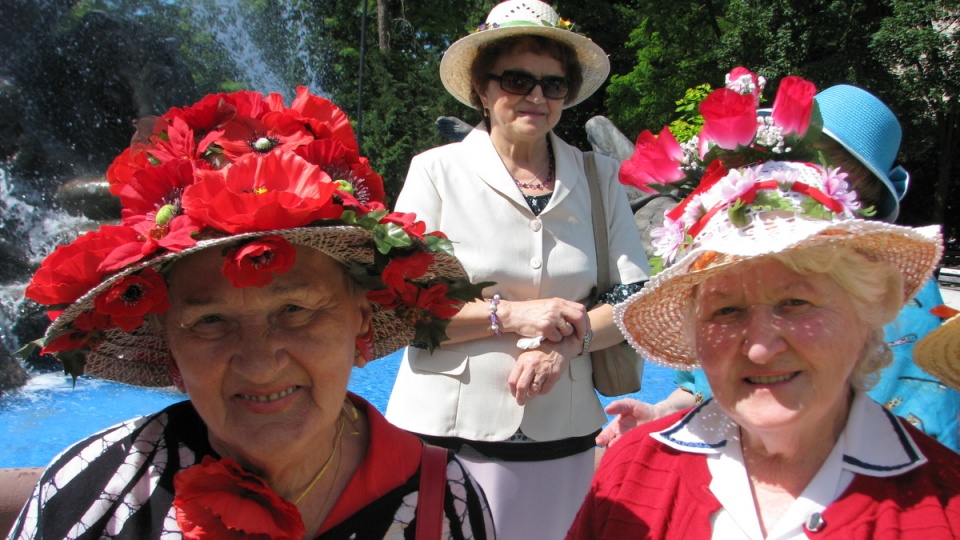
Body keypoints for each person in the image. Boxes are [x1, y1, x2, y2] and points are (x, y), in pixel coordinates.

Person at [8, 88, 495, 539]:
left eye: (293, 310)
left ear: (361, 319)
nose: (260, 364)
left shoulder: (444, 503)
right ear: (168, 342)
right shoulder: (93, 495)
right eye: (211, 322)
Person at [567, 70, 960, 538]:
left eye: (796, 302)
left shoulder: (941, 508)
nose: (759, 348)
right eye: (726, 310)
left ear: (872, 310)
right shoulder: (633, 478)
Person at [384, 1, 650, 538]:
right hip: (446, 431)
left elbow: (633, 301)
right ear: (483, 89)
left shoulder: (600, 178)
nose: (536, 96)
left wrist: (563, 346)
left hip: (565, 430)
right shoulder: (435, 172)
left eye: (553, 85)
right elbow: (400, 308)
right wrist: (514, 315)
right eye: (518, 79)